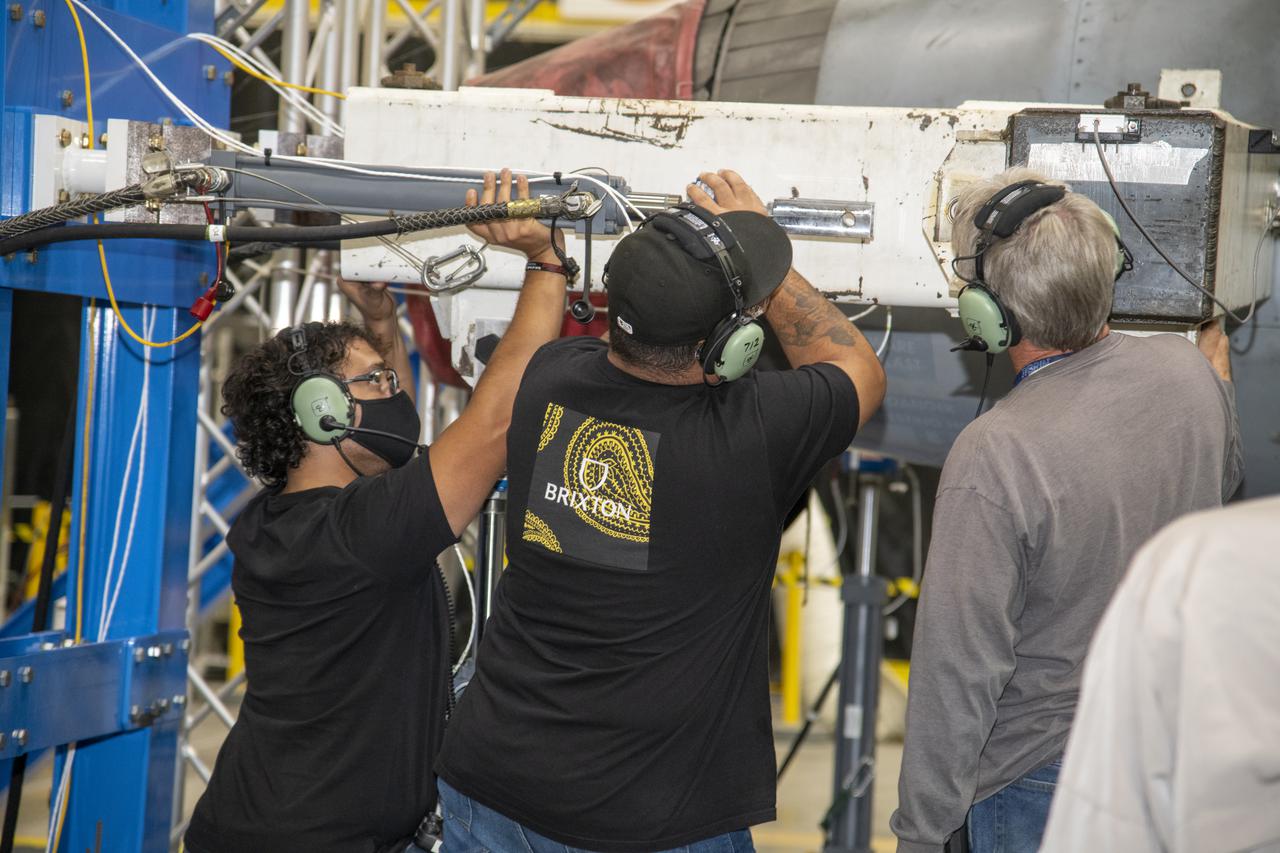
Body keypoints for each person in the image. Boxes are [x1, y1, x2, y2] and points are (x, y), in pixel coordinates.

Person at [433, 169, 886, 853]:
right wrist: (764, 252)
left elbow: (523, 354)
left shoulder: (552, 378)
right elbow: (856, 368)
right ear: (732, 347)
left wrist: (543, 258)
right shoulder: (752, 434)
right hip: (659, 820)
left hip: (497, 787)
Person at [185, 170, 569, 853]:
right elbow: (494, 422)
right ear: (322, 412)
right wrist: (546, 262)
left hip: (262, 824)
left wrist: (382, 325)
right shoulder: (360, 533)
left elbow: (385, 451)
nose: (396, 393)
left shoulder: (277, 520)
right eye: (379, 381)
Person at [890, 167, 1244, 853]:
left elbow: (956, 669)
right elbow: (1221, 481)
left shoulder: (996, 451)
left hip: (1040, 786)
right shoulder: (1189, 373)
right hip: (1166, 756)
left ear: (991, 317)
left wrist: (921, 832)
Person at [1039, 495, 1280, 853]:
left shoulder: (1205, 559)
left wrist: (924, 830)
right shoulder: (1211, 551)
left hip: (1035, 753)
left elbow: (1114, 822)